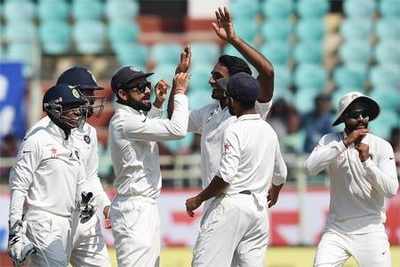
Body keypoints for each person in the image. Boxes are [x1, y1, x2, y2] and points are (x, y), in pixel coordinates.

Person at [168, 7, 278, 210]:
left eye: (217, 76)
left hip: (237, 199)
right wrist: (178, 77)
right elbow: (175, 118)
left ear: (234, 81)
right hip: (216, 202)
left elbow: (268, 72)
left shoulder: (251, 107)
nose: (211, 80)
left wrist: (233, 39)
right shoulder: (209, 112)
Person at [186, 72, 287, 266]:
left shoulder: (233, 129)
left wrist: (197, 199)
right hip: (258, 211)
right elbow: (281, 174)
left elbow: (226, 176)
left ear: (232, 100)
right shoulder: (269, 130)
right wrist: (275, 191)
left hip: (231, 206)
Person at [108, 64, 190, 266]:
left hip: (143, 207)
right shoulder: (124, 121)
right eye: (138, 87)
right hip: (134, 208)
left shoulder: (132, 119)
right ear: (122, 94)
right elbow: (178, 130)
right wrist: (179, 92)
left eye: (146, 85)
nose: (146, 90)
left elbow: (146, 138)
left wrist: (158, 104)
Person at [305, 91, 399, 267]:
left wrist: (367, 162)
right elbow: (310, 168)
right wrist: (344, 143)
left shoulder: (381, 146)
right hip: (337, 230)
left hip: (370, 230)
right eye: (356, 115)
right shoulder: (330, 140)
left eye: (365, 114)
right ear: (344, 118)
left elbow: (391, 190)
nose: (362, 118)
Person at [8, 84, 90, 266]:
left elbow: (80, 182)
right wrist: (15, 231)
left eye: (79, 107)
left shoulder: (72, 143)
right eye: (71, 108)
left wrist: (85, 200)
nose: (78, 113)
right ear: (55, 109)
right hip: (41, 221)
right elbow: (19, 186)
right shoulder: (37, 140)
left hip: (67, 222)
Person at [56, 67, 111, 267]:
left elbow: (91, 177)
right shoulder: (44, 133)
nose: (92, 99)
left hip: (86, 221)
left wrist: (105, 206)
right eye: (86, 92)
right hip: (55, 223)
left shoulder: (90, 133)